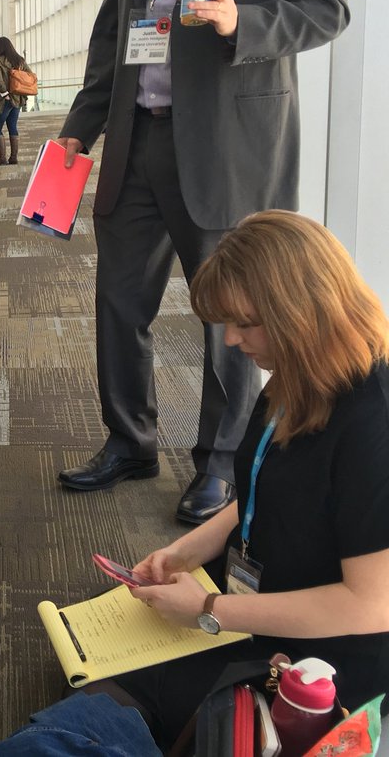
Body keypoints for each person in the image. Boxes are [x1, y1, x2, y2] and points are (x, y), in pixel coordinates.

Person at [53, 0, 349, 524]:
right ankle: (131, 440)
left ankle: (218, 462)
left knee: (231, 315)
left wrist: (241, 17)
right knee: (117, 303)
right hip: (136, 140)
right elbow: (113, 31)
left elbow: (326, 7)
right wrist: (81, 127)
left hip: (227, 144)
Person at [87, 211, 389, 749]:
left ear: (303, 310)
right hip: (257, 616)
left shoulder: (374, 420)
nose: (230, 340)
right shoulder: (300, 375)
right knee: (97, 695)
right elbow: (261, 487)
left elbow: (370, 603)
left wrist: (209, 612)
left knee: (100, 714)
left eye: (246, 322)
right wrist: (186, 551)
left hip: (322, 668)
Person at [0, 38, 31, 166]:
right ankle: (13, 157)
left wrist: (5, 94)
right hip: (18, 98)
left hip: (4, 99)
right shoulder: (19, 60)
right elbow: (30, 75)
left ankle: (2, 158)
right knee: (12, 126)